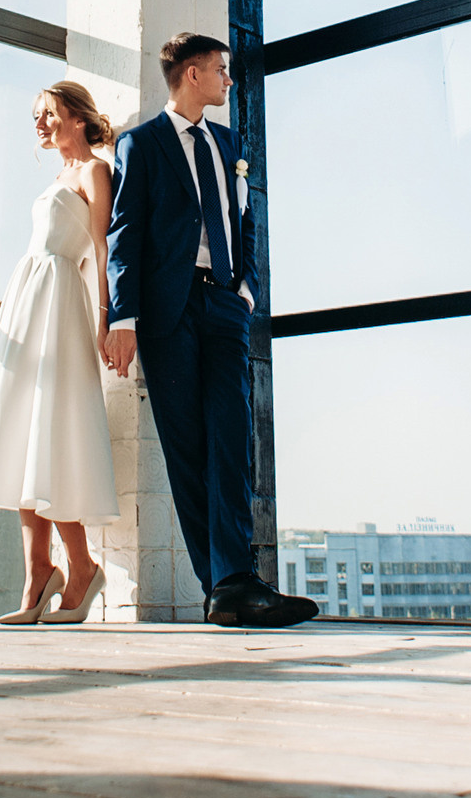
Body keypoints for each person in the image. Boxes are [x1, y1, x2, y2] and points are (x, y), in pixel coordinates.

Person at [102, 33, 316, 628]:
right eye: (221, 71)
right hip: (167, 313)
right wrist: (122, 317)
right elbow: (124, 235)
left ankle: (235, 579)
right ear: (192, 75)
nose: (229, 80)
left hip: (224, 306)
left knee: (231, 439)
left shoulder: (227, 142)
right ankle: (222, 586)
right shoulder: (139, 145)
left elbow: (243, 218)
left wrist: (246, 290)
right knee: (187, 451)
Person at [0, 80, 120, 624]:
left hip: (60, 306)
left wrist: (106, 321)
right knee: (20, 433)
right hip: (27, 303)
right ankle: (39, 571)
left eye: (49, 113)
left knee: (50, 435)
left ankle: (82, 566)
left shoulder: (95, 170)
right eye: (36, 116)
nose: (40, 123)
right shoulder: (58, 178)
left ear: (79, 117)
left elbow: (102, 248)